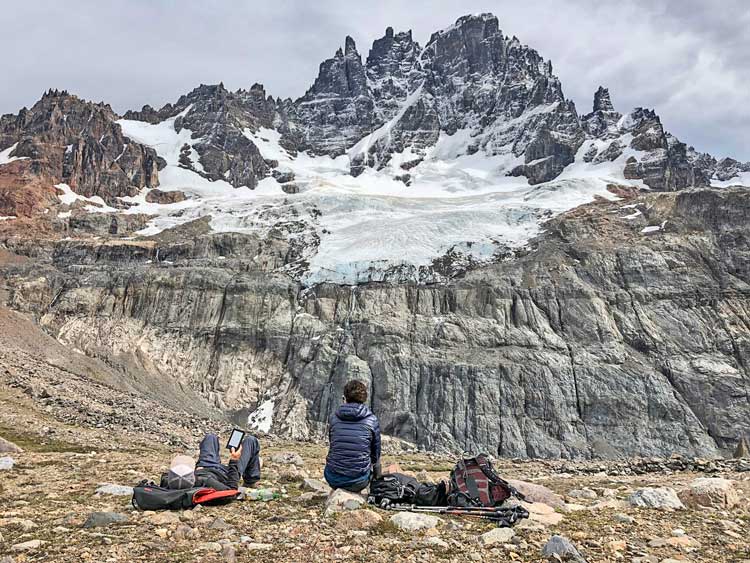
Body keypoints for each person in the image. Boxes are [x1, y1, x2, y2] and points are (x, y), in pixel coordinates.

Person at [324, 380, 381, 492]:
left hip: (332, 478)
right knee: (375, 461)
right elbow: (375, 454)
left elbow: (333, 444)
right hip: (358, 481)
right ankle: (376, 485)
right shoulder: (372, 420)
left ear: (345, 397)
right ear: (364, 398)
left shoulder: (334, 418)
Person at [162, 432, 261, 491]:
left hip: (205, 466)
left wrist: (198, 469)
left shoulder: (174, 481)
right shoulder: (207, 481)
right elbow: (231, 489)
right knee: (251, 441)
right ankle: (250, 481)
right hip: (228, 473)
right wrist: (234, 461)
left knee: (210, 437)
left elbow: (165, 478)